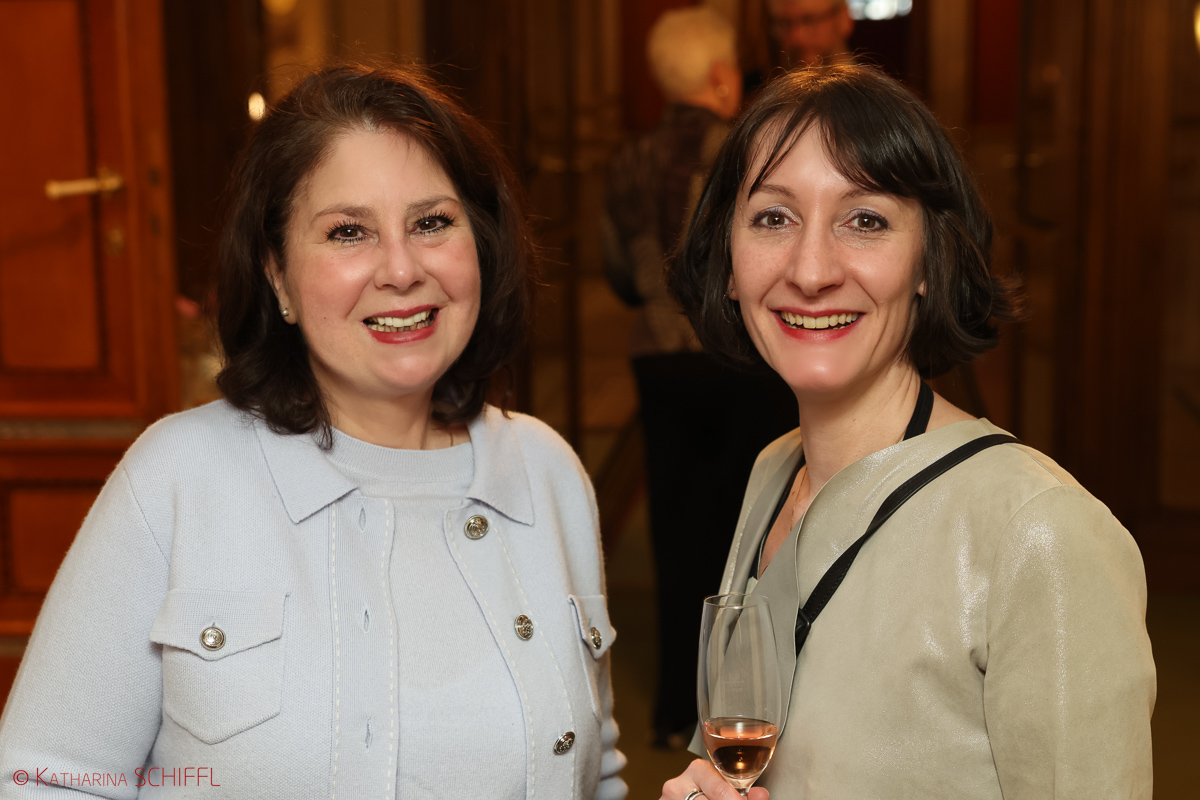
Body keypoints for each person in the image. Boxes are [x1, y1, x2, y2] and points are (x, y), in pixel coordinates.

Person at [0, 64, 627, 800]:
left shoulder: (546, 471)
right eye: (348, 232)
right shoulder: (177, 476)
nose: (401, 269)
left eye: (431, 222)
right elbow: (41, 780)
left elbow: (597, 774)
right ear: (277, 275)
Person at [659, 64, 1154, 800]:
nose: (812, 270)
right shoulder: (774, 472)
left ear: (928, 260)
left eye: (865, 220)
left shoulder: (1040, 534)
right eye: (773, 218)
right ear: (729, 264)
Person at [602, 7, 796, 749]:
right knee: (751, 525)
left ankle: (673, 712)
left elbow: (620, 272)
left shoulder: (626, 160)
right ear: (720, 76)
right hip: (739, 354)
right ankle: (745, 702)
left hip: (658, 355)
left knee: (674, 525)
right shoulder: (747, 154)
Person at [765, 0, 855, 69]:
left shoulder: (863, 88)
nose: (797, 38)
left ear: (843, 19)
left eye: (810, 21)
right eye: (785, 23)